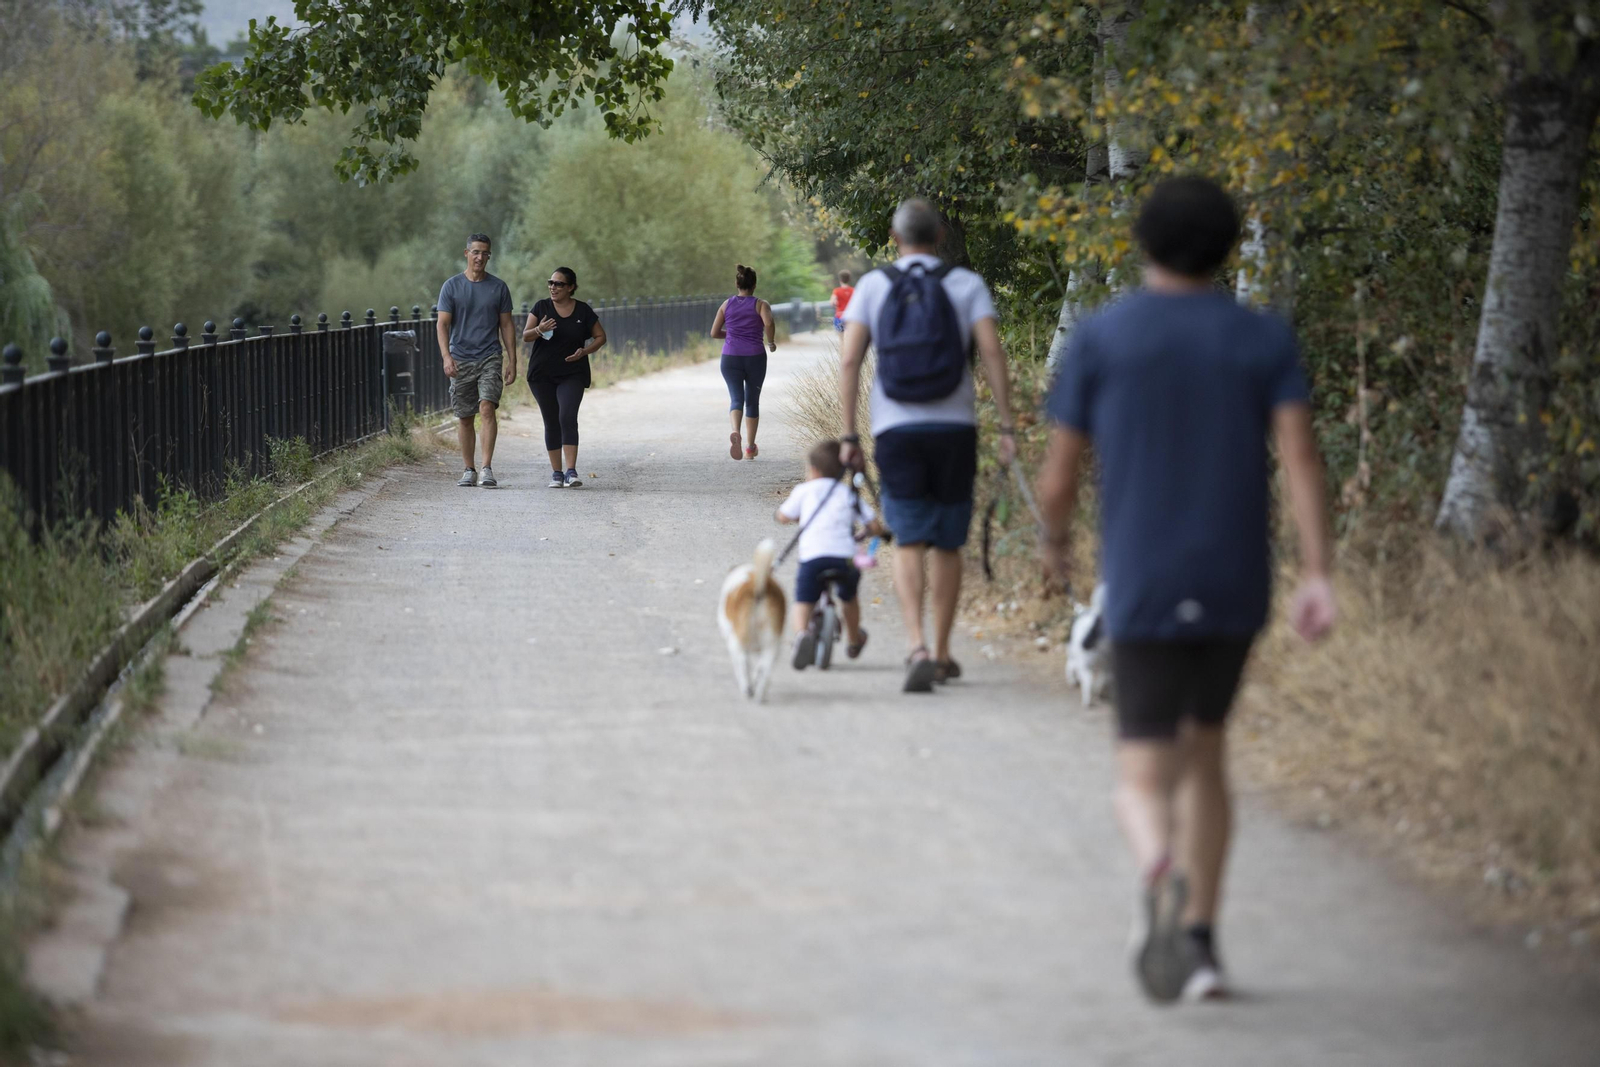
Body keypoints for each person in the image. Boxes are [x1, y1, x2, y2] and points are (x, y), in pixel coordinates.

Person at [1034, 175, 1337, 1003]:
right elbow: (1300, 456)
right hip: (1235, 578)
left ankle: (1159, 867)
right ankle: (1200, 944)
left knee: (1142, 772)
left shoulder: (1102, 337)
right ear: (1228, 247)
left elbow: (1060, 474)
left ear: (1142, 241)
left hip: (1143, 581)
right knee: (1207, 755)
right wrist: (1318, 571)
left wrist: (1053, 543)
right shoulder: (1261, 337)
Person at [837, 198, 1016, 693]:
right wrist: (1007, 427)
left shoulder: (874, 285)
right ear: (939, 235)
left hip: (896, 430)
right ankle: (940, 652)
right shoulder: (965, 283)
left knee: (909, 538)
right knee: (948, 542)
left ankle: (915, 643)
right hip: (954, 428)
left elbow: (850, 361)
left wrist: (850, 434)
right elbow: (992, 352)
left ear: (895, 239)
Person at [776, 440, 881, 667]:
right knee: (849, 597)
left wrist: (786, 517)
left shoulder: (804, 491)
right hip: (844, 558)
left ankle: (801, 634)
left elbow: (783, 516)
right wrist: (881, 533)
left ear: (813, 470)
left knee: (803, 600)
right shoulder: (848, 494)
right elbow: (874, 525)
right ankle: (853, 639)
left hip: (813, 558)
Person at [437, 233, 517, 487]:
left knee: (487, 407)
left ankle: (486, 468)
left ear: (489, 256)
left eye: (485, 253)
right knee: (464, 416)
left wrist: (512, 361)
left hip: (489, 356)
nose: (480, 257)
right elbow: (442, 324)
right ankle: (468, 469)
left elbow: (507, 325)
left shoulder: (498, 287)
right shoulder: (451, 287)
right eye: (476, 252)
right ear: (467, 253)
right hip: (460, 358)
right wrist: (446, 357)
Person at [523, 267, 606, 488]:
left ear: (571, 287)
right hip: (542, 375)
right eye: (550, 283)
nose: (553, 287)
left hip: (572, 373)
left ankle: (571, 471)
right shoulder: (541, 307)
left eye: (559, 284)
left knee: (567, 416)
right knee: (551, 420)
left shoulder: (583, 311)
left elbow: (600, 336)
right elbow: (525, 336)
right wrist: (539, 329)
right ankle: (557, 474)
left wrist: (584, 351)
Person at [710, 264, 777, 460]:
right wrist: (771, 341)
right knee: (752, 401)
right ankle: (750, 448)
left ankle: (735, 431)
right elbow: (769, 322)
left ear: (737, 284)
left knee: (736, 399)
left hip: (730, 357)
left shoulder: (726, 304)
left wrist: (733, 334)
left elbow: (714, 333)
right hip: (755, 357)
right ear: (754, 285)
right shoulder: (761, 304)